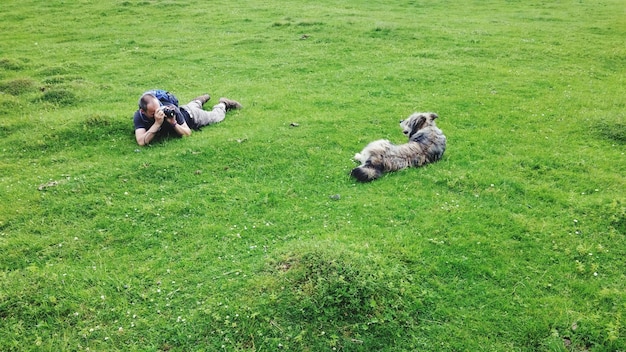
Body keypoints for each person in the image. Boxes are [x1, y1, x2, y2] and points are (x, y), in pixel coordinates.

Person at [133, 92, 242, 146]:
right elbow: (141, 141)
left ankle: (224, 103)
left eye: (159, 108)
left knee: (216, 117)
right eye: (153, 113)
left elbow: (187, 132)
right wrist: (157, 124)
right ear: (143, 111)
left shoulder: (171, 110)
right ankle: (199, 100)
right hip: (185, 109)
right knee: (190, 106)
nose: (159, 113)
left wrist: (173, 123)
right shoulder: (139, 116)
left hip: (193, 116)